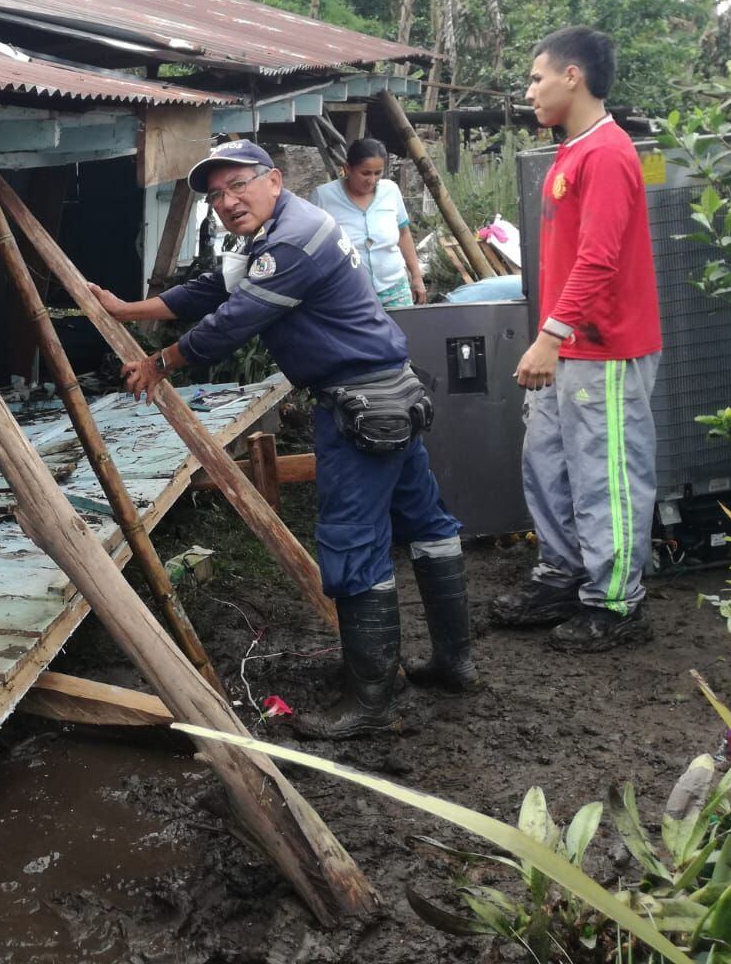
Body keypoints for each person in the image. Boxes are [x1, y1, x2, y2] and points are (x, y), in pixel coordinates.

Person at [89, 140, 474, 738]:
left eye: (237, 185)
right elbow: (215, 288)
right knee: (426, 523)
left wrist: (159, 361)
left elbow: (232, 321)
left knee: (353, 542)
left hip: (357, 408)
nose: (227, 201)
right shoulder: (273, 233)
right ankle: (454, 663)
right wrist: (126, 309)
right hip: (391, 394)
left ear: (273, 180)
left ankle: (370, 703)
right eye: (216, 195)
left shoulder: (292, 239)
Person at [497, 26, 662, 650]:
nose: (530, 90)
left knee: (605, 475)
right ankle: (563, 575)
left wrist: (550, 336)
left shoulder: (610, 153)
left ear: (574, 76)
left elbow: (598, 259)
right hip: (569, 343)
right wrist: (554, 338)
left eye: (537, 77)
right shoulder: (571, 151)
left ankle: (616, 603)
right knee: (549, 465)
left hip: (605, 346)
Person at [310, 138, 427, 307]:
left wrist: (416, 276)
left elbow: (404, 234)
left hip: (394, 288)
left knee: (401, 332)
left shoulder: (390, 191)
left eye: (377, 173)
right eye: (365, 173)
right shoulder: (323, 197)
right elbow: (313, 246)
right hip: (348, 293)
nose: (371, 180)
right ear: (347, 168)